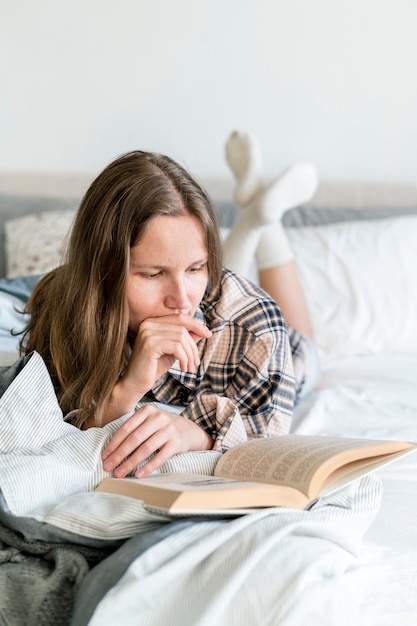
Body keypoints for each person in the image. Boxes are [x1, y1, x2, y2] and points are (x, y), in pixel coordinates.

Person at [20, 148, 318, 480]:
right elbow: (52, 428)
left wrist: (196, 434)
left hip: (292, 354)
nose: (181, 300)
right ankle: (251, 219)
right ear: (103, 270)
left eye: (196, 267)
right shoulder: (62, 303)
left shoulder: (255, 327)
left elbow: (268, 447)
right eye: (152, 274)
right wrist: (127, 389)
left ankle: (264, 223)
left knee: (308, 342)